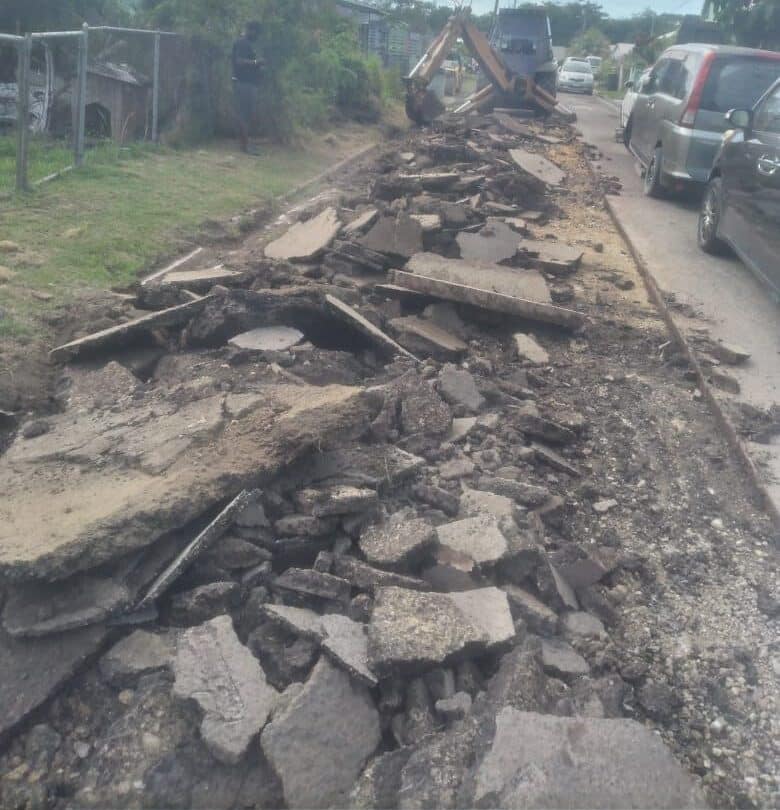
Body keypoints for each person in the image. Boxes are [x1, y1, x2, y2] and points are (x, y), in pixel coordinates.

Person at [232, 21, 264, 154]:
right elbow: (239, 61)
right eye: (256, 32)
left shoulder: (249, 44)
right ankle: (245, 146)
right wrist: (256, 62)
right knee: (244, 114)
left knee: (247, 114)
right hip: (243, 84)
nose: (257, 36)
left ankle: (245, 144)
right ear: (251, 30)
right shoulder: (242, 43)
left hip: (250, 83)